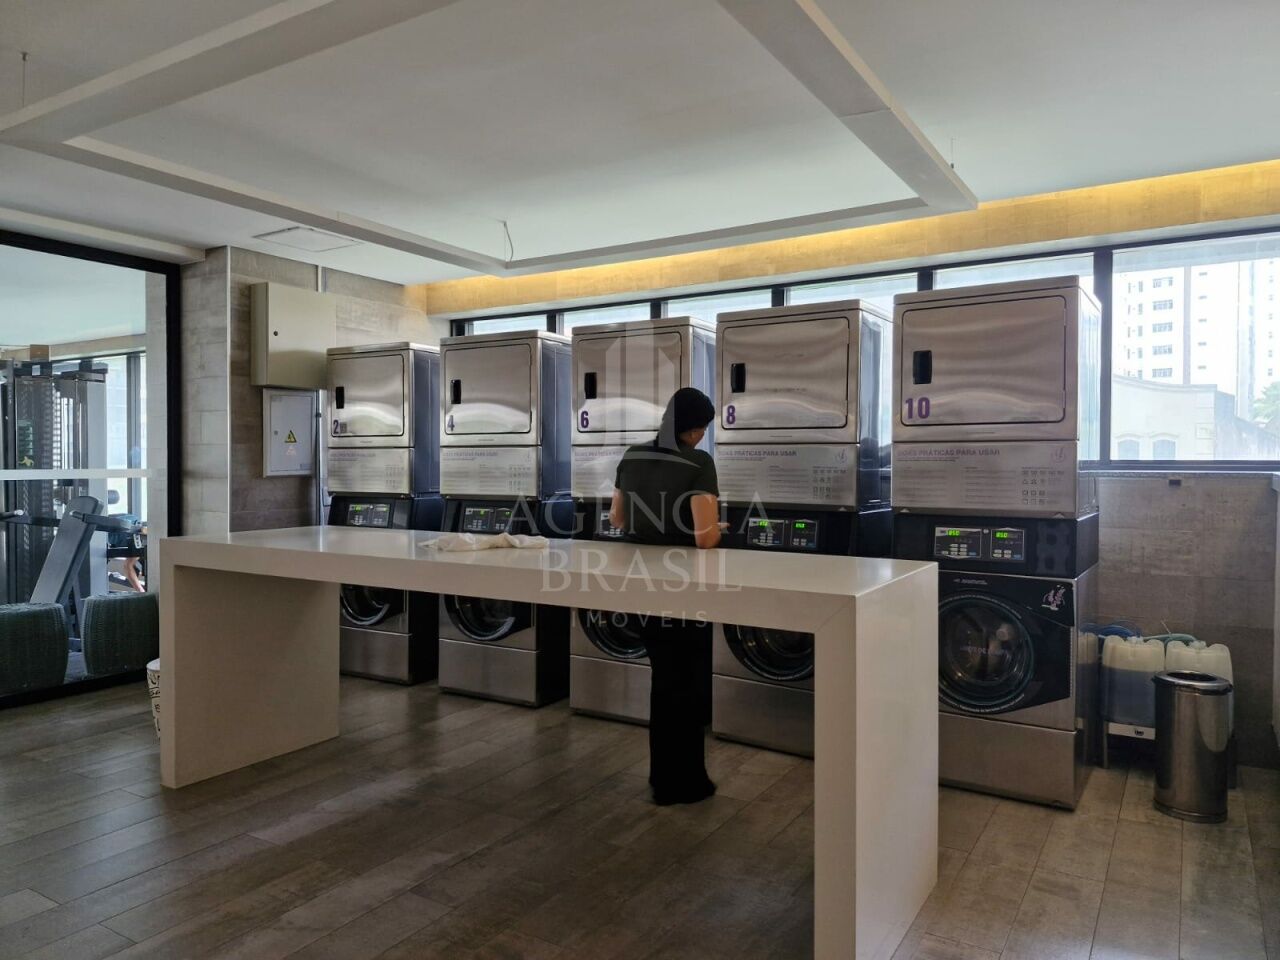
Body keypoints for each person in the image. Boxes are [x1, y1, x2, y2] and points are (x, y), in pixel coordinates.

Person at [610, 386, 722, 805]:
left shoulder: (632, 455)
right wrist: (717, 528)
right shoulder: (698, 461)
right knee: (686, 681)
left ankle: (663, 779)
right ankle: (685, 783)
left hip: (639, 582)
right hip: (682, 584)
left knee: (664, 677)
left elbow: (618, 519)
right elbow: (704, 538)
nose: (702, 436)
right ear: (692, 429)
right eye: (702, 428)